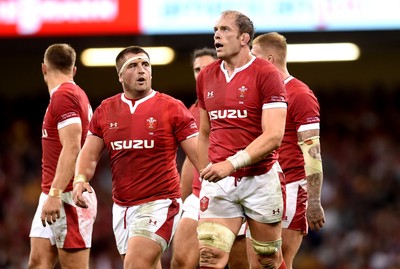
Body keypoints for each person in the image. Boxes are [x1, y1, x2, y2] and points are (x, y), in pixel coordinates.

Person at [72, 46, 200, 269]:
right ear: (120, 76)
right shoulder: (106, 110)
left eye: (145, 65)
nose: (141, 70)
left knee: (135, 265)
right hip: (121, 207)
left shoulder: (172, 108)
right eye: (133, 66)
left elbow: (200, 156)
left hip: (161, 203)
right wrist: (80, 178)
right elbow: (89, 155)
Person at [196, 10, 287, 269]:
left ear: (245, 38)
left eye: (225, 29)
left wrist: (231, 163)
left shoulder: (267, 74)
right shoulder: (206, 76)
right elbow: (204, 132)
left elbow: (274, 135)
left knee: (266, 259)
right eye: (215, 29)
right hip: (220, 183)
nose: (217, 34)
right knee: (209, 256)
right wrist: (207, 171)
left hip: (260, 178)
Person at [251, 32, 325, 269]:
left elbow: (313, 152)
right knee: (256, 261)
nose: (249, 64)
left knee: (276, 260)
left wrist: (313, 201)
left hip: (292, 188)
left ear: (269, 60)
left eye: (254, 57)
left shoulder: (299, 94)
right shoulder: (260, 97)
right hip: (262, 187)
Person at [28, 43, 97, 269]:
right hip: (52, 193)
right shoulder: (72, 93)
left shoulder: (64, 95)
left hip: (67, 196)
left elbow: (72, 147)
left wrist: (56, 193)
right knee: (37, 263)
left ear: (43, 69)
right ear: (74, 69)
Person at [170, 47, 217, 269]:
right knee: (180, 261)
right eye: (197, 69)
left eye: (206, 68)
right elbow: (191, 159)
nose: (201, 74)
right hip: (200, 195)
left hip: (233, 195)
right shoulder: (193, 111)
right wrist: (179, 201)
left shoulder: (237, 104)